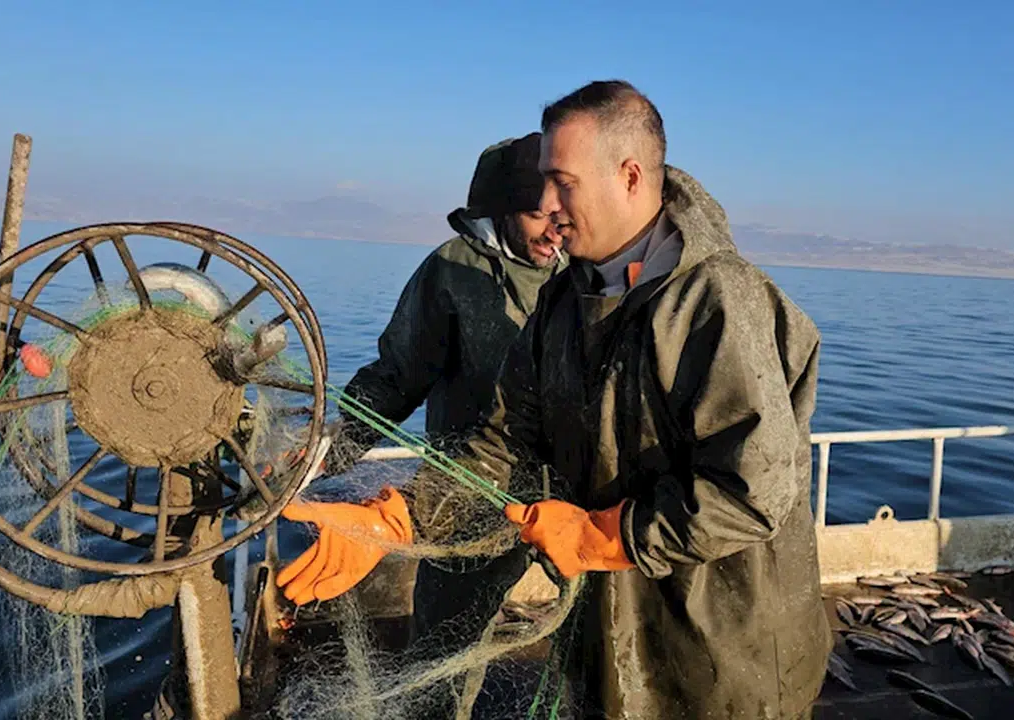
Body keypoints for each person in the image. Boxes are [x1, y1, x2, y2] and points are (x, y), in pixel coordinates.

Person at [278, 81, 831, 719]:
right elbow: (504, 440)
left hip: (723, 654)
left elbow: (753, 491)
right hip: (609, 637)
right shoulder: (564, 301)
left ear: (629, 176)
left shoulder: (718, 301)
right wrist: (399, 516)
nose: (550, 206)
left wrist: (601, 535)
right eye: (544, 183)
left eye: (563, 183)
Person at [278, 132, 565, 650]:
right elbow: (397, 376)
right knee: (443, 649)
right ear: (502, 210)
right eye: (536, 215)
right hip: (465, 498)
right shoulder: (452, 271)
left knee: (579, 653)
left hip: (566, 510)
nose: (554, 232)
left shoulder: (581, 273)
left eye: (561, 215)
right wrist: (329, 451)